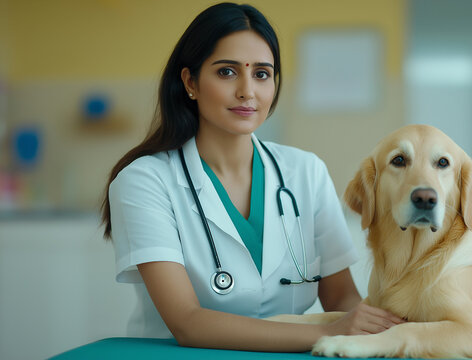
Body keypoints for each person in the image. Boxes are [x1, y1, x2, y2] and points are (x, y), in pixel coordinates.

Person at [100, 2, 403, 352]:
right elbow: (187, 322)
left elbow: (341, 296)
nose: (248, 91)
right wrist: (330, 332)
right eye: (227, 72)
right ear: (190, 82)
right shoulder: (144, 180)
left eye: (261, 74)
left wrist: (374, 327)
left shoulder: (306, 172)